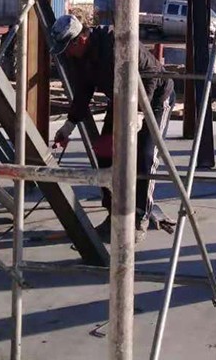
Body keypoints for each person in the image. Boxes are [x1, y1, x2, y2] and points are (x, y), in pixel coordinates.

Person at [50, 15, 175, 243]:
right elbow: (83, 90)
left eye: (68, 48)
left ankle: (139, 219)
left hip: (155, 97)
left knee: (145, 156)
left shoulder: (116, 42)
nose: (66, 54)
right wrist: (69, 125)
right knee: (105, 153)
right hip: (121, 100)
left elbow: (150, 75)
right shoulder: (78, 56)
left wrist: (139, 113)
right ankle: (114, 214)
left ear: (80, 40)